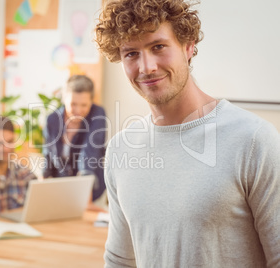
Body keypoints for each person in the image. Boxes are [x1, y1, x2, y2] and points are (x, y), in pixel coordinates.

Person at [95, 0, 280, 267]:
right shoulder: (120, 149)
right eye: (131, 54)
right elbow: (119, 261)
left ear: (188, 45)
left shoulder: (253, 140)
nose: (146, 67)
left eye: (158, 46)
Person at [42, 75, 107, 203]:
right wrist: (43, 180)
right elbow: (48, 154)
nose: (78, 110)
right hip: (61, 190)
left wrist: (85, 190)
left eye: (84, 105)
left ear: (91, 101)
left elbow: (90, 151)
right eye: (73, 104)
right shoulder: (52, 120)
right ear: (64, 99)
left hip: (90, 191)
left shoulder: (98, 114)